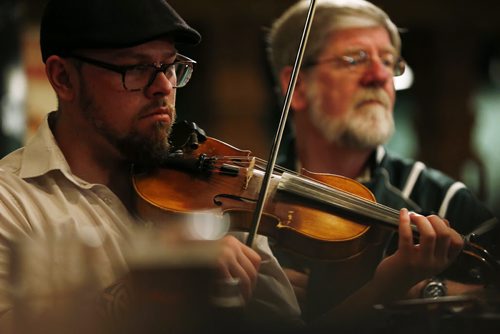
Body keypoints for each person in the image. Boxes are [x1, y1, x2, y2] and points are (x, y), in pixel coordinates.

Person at [0, 0, 303, 332]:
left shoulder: (207, 188)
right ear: (63, 78)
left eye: (171, 66)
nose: (164, 87)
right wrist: (161, 280)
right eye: (136, 68)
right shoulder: (11, 202)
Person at [266, 0, 498, 328]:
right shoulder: (248, 204)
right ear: (298, 86)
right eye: (354, 59)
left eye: (389, 62)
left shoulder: (444, 200)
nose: (379, 76)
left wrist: (431, 290)